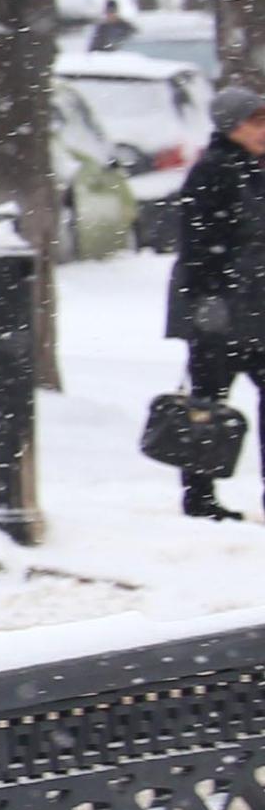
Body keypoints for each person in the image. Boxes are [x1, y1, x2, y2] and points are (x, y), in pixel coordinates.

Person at [166, 85, 265, 518]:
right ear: (231, 127)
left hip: (256, 307)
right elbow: (199, 244)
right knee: (207, 404)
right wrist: (208, 301)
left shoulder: (256, 169)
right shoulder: (213, 172)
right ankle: (200, 497)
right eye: (256, 122)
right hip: (219, 309)